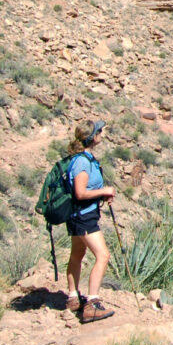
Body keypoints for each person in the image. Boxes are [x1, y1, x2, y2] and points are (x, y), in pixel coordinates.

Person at [64, 119, 116, 323]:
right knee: (103, 255)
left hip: (78, 215)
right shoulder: (82, 162)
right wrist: (104, 191)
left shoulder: (83, 158)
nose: (101, 134)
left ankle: (73, 298)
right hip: (84, 216)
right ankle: (92, 303)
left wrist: (100, 195)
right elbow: (80, 192)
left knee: (77, 253)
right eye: (99, 131)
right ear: (92, 137)